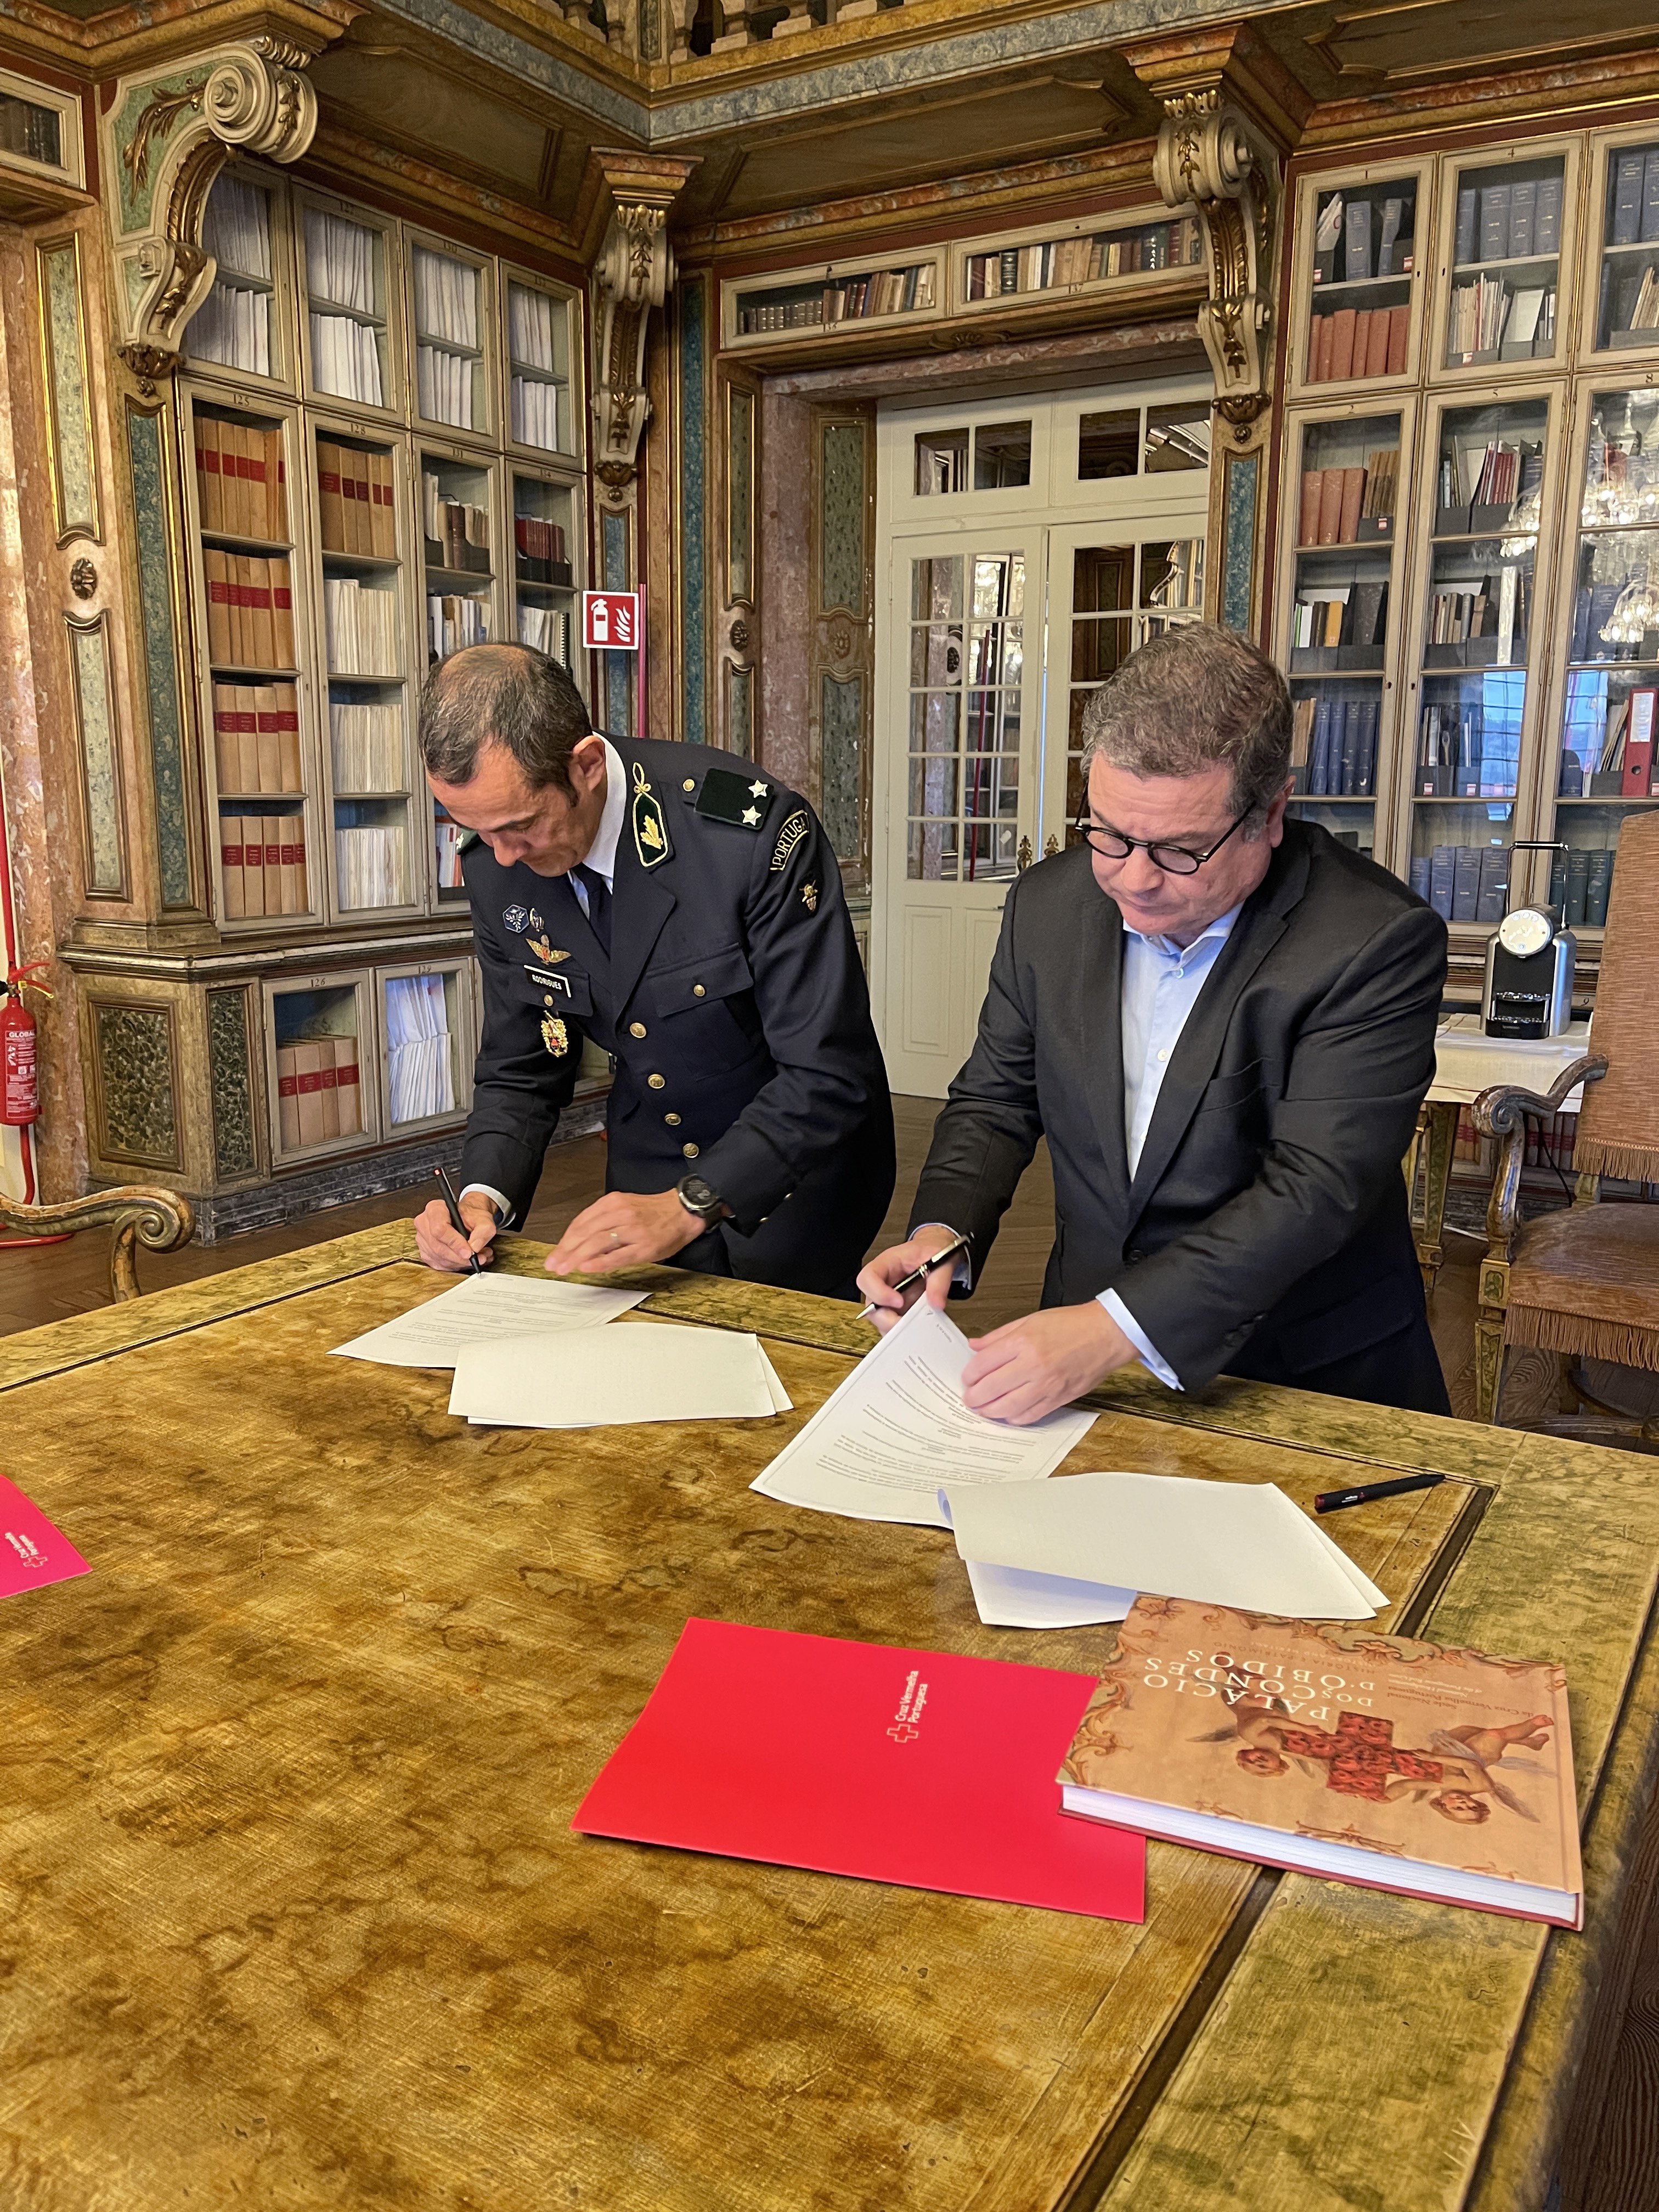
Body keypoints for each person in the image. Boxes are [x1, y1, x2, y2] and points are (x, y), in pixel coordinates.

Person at [857, 622, 1449, 1420]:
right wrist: (943, 1234)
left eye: (1179, 850)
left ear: (1271, 813)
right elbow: (997, 1100)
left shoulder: (1372, 940)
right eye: (1108, 833)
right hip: (1083, 1363)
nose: (1133, 880)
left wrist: (1112, 1329)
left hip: (1296, 1374)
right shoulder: (1047, 906)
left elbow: (1315, 1189)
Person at [412, 644, 894, 1299]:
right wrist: (480, 1197)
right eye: (473, 829)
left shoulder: (747, 836)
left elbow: (828, 1072)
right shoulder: (500, 866)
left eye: (520, 826)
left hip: (792, 1183)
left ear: (585, 766)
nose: (502, 856)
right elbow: (522, 1067)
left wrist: (693, 1202)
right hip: (645, 1179)